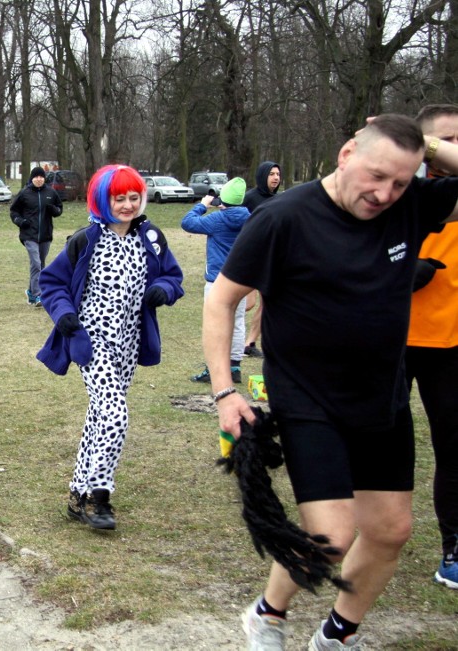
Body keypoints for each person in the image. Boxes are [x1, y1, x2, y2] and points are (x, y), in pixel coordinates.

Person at [202, 114, 458, 650]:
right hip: (308, 401)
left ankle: (336, 636)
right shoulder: (284, 218)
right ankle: (267, 615)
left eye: (401, 181)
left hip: (381, 399)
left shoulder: (411, 206)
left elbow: (411, 180)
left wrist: (431, 143)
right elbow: (221, 298)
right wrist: (225, 392)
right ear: (346, 154)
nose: (385, 193)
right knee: (331, 538)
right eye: (377, 175)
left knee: (390, 532)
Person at [37, 165, 184, 530]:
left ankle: (76, 492)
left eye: (134, 197)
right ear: (104, 199)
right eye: (120, 198)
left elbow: (173, 276)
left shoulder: (150, 237)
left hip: (130, 343)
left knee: (100, 416)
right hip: (91, 342)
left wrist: (162, 290)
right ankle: (98, 497)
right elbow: (50, 282)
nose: (128, 205)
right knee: (115, 415)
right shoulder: (86, 239)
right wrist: (64, 314)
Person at [405, 103, 458, 591]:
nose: (450, 152)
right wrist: (398, 276)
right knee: (373, 439)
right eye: (443, 141)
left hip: (449, 344)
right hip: (391, 340)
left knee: (454, 446)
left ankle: (454, 545)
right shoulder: (400, 193)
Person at [181, 177, 249, 384]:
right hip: (240, 279)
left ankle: (214, 369)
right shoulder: (250, 218)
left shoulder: (218, 220)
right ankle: (234, 366)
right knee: (237, 322)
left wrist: (202, 205)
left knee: (215, 325)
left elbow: (187, 223)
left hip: (217, 281)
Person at [241, 161, 282, 358]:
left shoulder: (280, 199)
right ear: (262, 176)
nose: (276, 178)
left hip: (272, 259)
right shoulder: (249, 198)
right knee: (247, 303)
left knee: (267, 303)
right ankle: (231, 335)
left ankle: (249, 343)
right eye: (271, 174)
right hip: (251, 258)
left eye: (278, 174)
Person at [10, 166, 63, 306]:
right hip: (29, 235)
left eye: (41, 177)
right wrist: (20, 221)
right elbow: (14, 211)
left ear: (44, 178)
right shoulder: (24, 193)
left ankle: (31, 293)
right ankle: (39, 295)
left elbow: (59, 209)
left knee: (40, 264)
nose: (39, 179)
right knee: (36, 263)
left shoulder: (51, 192)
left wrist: (54, 210)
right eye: (36, 177)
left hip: (45, 235)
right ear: (31, 178)